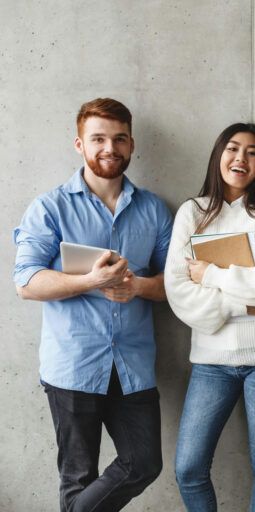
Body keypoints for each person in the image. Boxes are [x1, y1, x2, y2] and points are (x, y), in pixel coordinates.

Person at [13, 98, 171, 511]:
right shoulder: (49, 207)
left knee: (144, 462)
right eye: (98, 138)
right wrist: (91, 280)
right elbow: (26, 282)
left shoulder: (153, 209)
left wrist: (137, 286)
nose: (109, 148)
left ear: (132, 145)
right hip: (73, 363)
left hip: (133, 366)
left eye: (119, 139)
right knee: (77, 477)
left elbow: (176, 283)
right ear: (80, 144)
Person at [165, 123, 255, 512]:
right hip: (212, 361)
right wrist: (242, 305)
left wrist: (210, 275)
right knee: (189, 468)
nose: (241, 158)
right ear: (218, 155)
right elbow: (178, 292)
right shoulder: (192, 212)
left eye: (253, 152)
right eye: (232, 148)